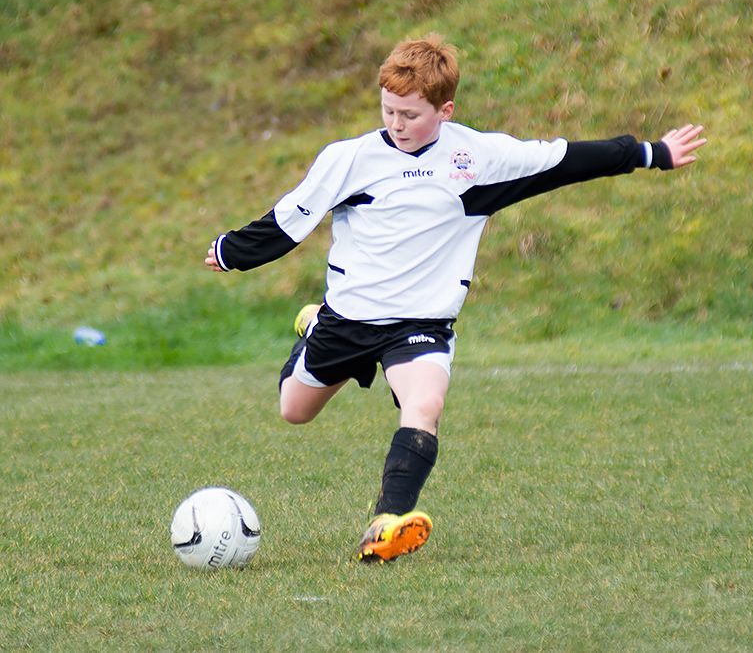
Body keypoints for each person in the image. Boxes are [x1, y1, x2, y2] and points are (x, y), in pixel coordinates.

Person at [204, 34, 706, 563]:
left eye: (410, 114)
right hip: (348, 319)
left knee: (425, 405)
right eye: (388, 110)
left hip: (420, 323)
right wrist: (232, 252)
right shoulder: (350, 159)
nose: (396, 123)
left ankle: (386, 524)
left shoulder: (476, 157)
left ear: (445, 111)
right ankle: (311, 329)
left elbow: (561, 161)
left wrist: (651, 153)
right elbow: (291, 219)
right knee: (294, 411)